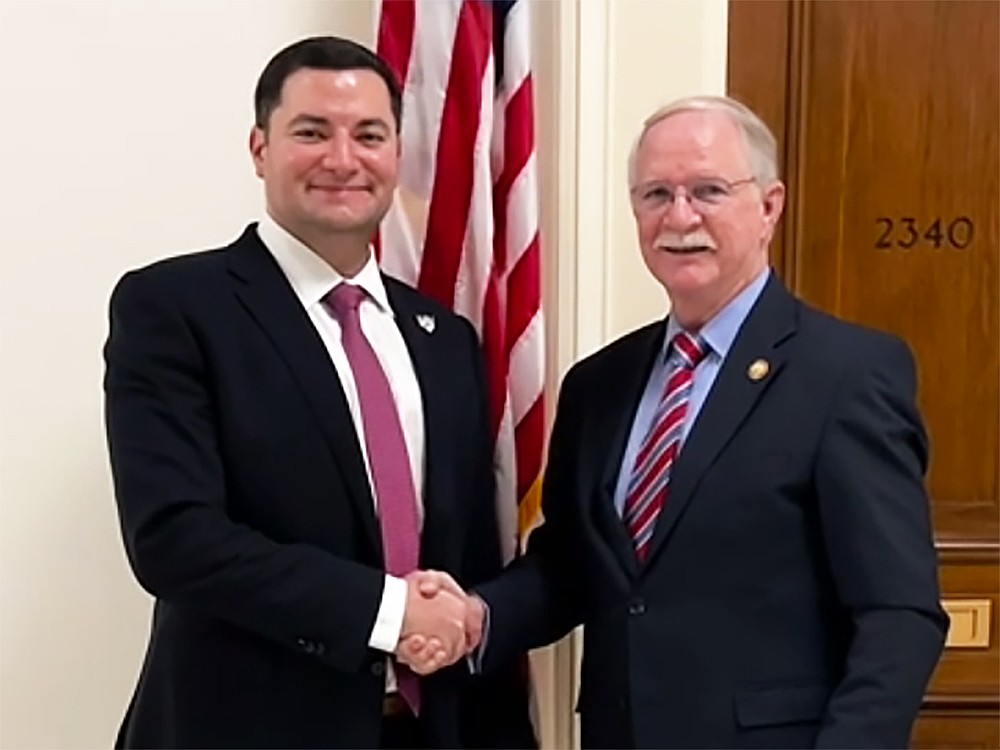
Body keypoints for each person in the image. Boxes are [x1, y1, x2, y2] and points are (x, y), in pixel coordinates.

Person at [419, 95, 949, 748]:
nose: (679, 217)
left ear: (769, 207)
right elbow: (572, 568)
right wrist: (478, 615)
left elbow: (899, 616)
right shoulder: (599, 385)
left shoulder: (845, 375)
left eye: (708, 190)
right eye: (655, 194)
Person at [103, 35, 534, 750]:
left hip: (428, 730)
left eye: (369, 135)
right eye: (311, 132)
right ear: (260, 147)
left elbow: (469, 553)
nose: (343, 159)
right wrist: (393, 612)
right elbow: (175, 540)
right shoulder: (175, 308)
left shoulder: (445, 339)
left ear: (397, 154)